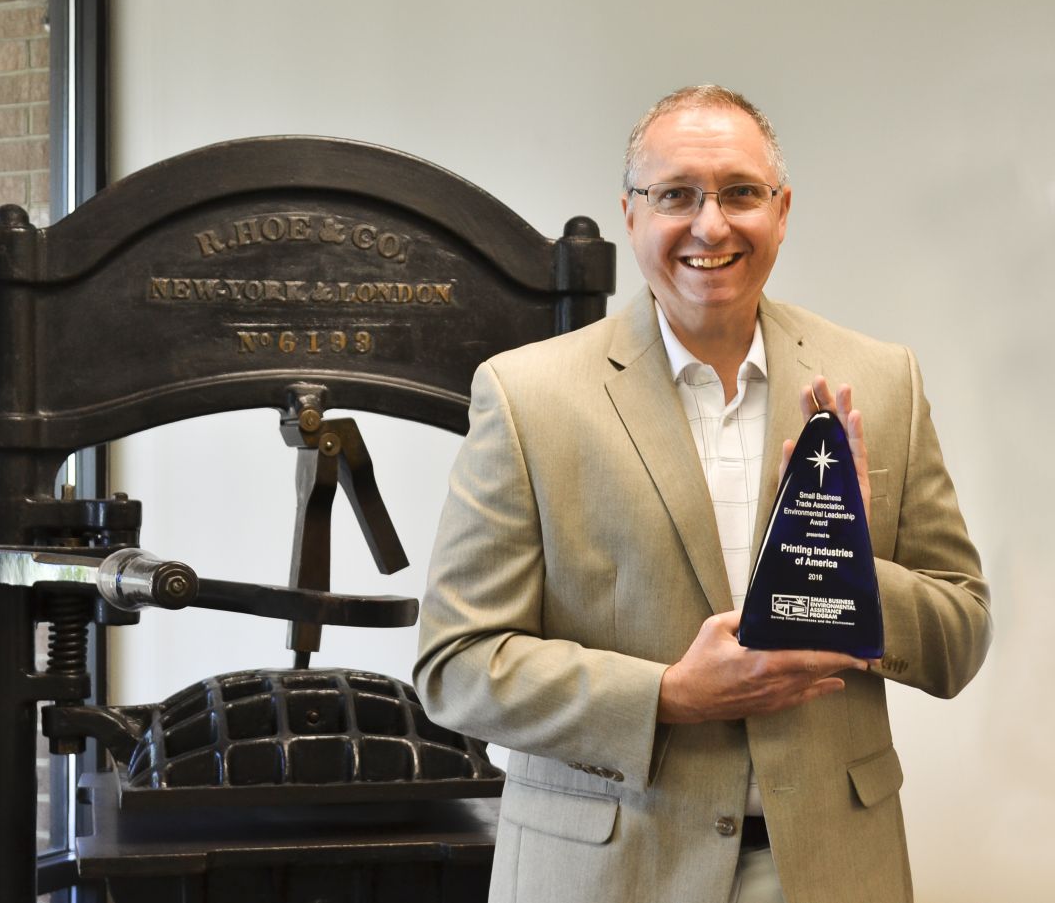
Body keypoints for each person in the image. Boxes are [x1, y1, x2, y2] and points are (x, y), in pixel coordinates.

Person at [413, 85, 990, 903]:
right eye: (676, 194)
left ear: (781, 210)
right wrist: (668, 696)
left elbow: (960, 633)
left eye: (740, 193)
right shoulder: (525, 396)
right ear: (630, 211)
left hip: (829, 869)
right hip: (606, 872)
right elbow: (456, 666)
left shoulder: (881, 382)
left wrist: (853, 570)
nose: (710, 224)